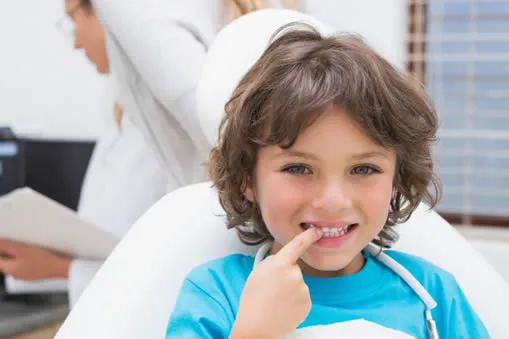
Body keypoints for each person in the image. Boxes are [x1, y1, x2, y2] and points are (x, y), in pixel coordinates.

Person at [165, 25, 490, 338]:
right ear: (247, 178)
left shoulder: (433, 297)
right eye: (298, 169)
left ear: (397, 177)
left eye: (363, 170)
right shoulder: (217, 294)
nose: (333, 200)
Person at [0, 0, 169, 308]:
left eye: (73, 19)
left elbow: (162, 268)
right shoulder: (119, 107)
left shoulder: (163, 122)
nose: (76, 41)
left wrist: (54, 268)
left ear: (104, 11)